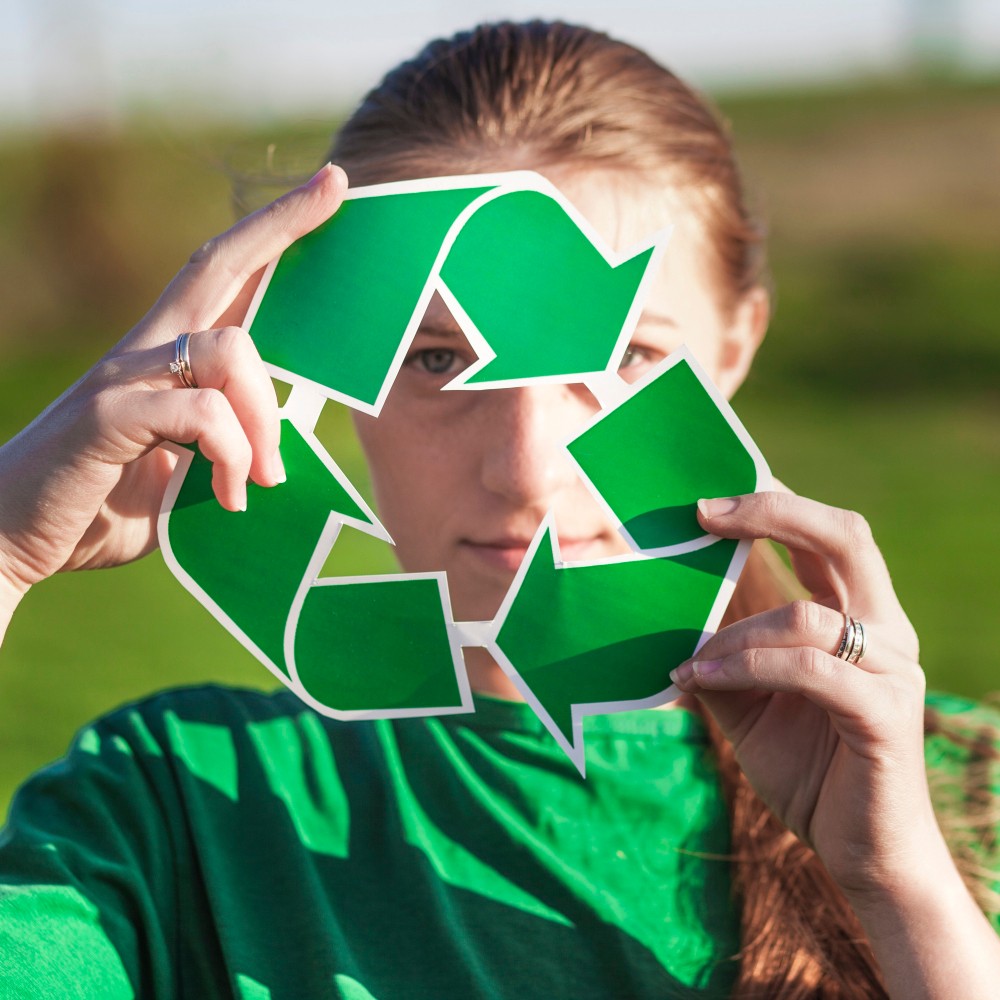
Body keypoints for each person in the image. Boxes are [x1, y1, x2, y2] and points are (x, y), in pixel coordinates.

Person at [1, 20, 998, 1000]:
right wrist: (5, 554)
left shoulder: (966, 796)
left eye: (623, 360)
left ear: (735, 346)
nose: (524, 471)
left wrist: (903, 893)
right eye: (432, 359)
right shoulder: (183, 805)